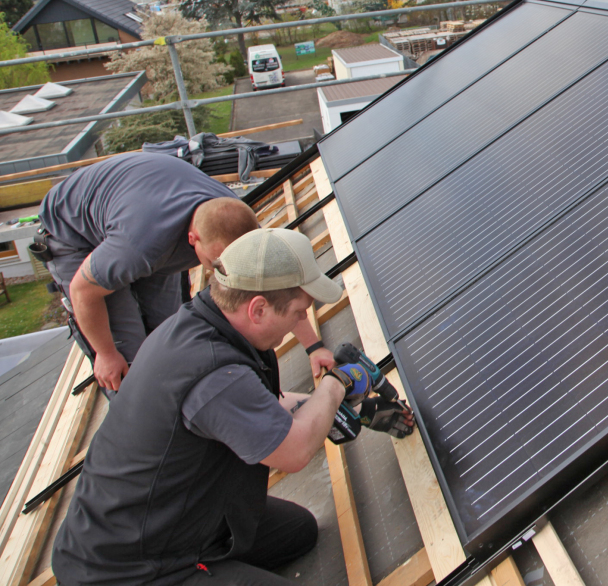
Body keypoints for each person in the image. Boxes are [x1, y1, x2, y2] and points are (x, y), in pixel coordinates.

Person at [51, 227, 407, 585]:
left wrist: (344, 405)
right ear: (258, 308)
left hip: (179, 514)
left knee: (298, 532)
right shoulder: (212, 372)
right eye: (299, 312)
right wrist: (338, 383)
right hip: (128, 565)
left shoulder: (208, 323)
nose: (301, 322)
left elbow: (266, 406)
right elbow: (295, 452)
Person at [39, 153, 335, 391]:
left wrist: (314, 347)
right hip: (74, 236)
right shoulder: (139, 246)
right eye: (217, 263)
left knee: (172, 335)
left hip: (140, 205)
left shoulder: (234, 218)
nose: (223, 271)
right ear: (193, 239)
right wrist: (105, 354)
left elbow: (274, 284)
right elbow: (82, 291)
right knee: (132, 363)